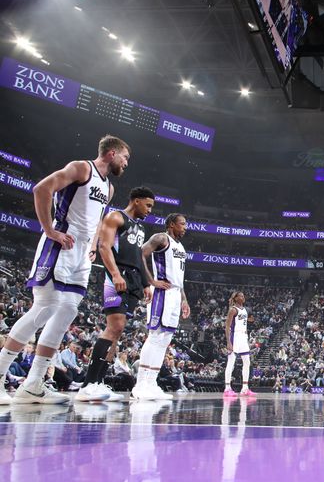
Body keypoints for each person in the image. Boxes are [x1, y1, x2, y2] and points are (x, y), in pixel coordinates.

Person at [0, 135, 129, 405]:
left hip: (82, 254)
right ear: (111, 153)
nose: (126, 163)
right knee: (45, 307)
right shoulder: (82, 168)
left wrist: (93, 245)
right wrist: (50, 230)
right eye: (125, 157)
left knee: (67, 311)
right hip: (60, 244)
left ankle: (34, 384)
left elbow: (96, 222)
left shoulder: (110, 188)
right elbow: (41, 189)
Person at [76, 187, 167, 402]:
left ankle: (98, 382)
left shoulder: (140, 227)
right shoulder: (116, 217)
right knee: (113, 327)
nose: (150, 210)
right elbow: (104, 247)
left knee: (118, 332)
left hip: (134, 279)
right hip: (117, 275)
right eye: (148, 205)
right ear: (136, 201)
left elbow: (138, 256)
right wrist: (116, 274)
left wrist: (146, 283)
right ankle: (88, 384)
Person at [131, 214, 191, 401]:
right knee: (155, 336)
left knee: (165, 339)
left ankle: (151, 383)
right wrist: (150, 281)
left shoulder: (180, 246)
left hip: (174, 293)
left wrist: (184, 299)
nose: (185, 227)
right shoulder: (161, 238)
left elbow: (178, 277)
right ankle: (140, 384)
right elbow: (139, 253)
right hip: (162, 292)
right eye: (182, 224)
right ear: (172, 224)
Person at [223, 292, 255, 397]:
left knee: (247, 362)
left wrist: (251, 317)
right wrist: (228, 342)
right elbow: (227, 327)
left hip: (243, 337)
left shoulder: (245, 309)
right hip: (234, 336)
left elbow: (250, 319)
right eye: (240, 295)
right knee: (231, 362)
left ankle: (245, 388)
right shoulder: (233, 310)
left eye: (243, 295)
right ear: (236, 298)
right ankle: (227, 388)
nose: (243, 297)